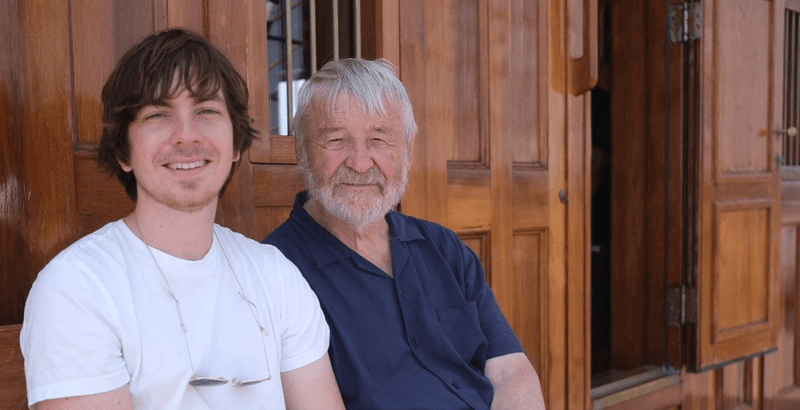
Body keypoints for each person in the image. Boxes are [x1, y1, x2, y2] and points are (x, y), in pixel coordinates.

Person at [20, 28, 345, 410]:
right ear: (124, 152)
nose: (186, 136)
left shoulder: (275, 275)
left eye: (206, 110)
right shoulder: (79, 289)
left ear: (237, 143)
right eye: (158, 114)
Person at [264, 58, 546, 410]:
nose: (361, 162)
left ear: (408, 148)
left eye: (379, 139)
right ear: (301, 149)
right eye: (336, 139)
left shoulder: (444, 247)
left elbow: (511, 372)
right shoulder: (274, 272)